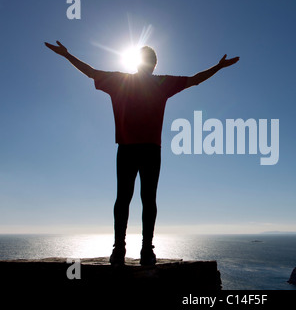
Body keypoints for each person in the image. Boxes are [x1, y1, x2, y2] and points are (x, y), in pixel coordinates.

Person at [45, 40, 239, 266]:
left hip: (129, 149)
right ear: (153, 65)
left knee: (126, 200)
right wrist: (218, 67)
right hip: (148, 150)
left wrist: (67, 55)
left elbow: (90, 72)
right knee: (145, 200)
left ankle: (123, 250)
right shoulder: (159, 83)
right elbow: (194, 80)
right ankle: (143, 250)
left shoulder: (122, 81)